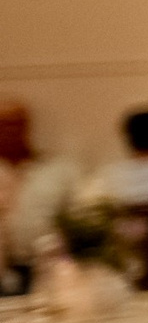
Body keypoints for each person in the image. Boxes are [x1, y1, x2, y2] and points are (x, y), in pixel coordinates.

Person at [1, 99, 84, 276]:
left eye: (16, 124)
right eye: (3, 125)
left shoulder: (58, 172)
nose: (10, 131)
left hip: (49, 271)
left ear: (26, 126)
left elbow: (77, 221)